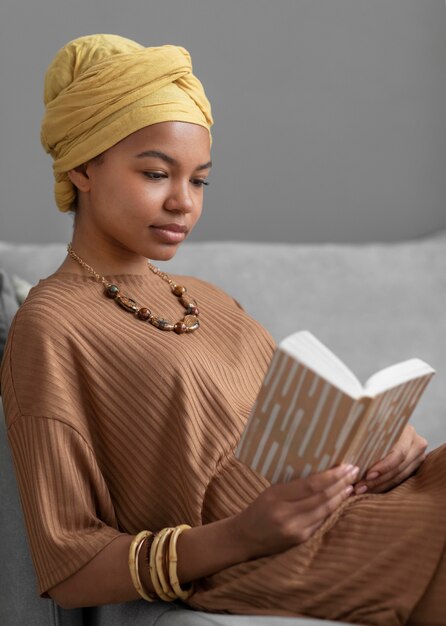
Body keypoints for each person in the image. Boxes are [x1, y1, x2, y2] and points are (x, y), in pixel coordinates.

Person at [0, 33, 445, 626]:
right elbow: (69, 564)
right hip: (268, 556)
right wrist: (242, 536)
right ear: (83, 165)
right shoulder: (51, 324)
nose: (184, 202)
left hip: (362, 504)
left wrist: (391, 441)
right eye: (157, 174)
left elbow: (300, 435)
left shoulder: (209, 299)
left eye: (199, 180)